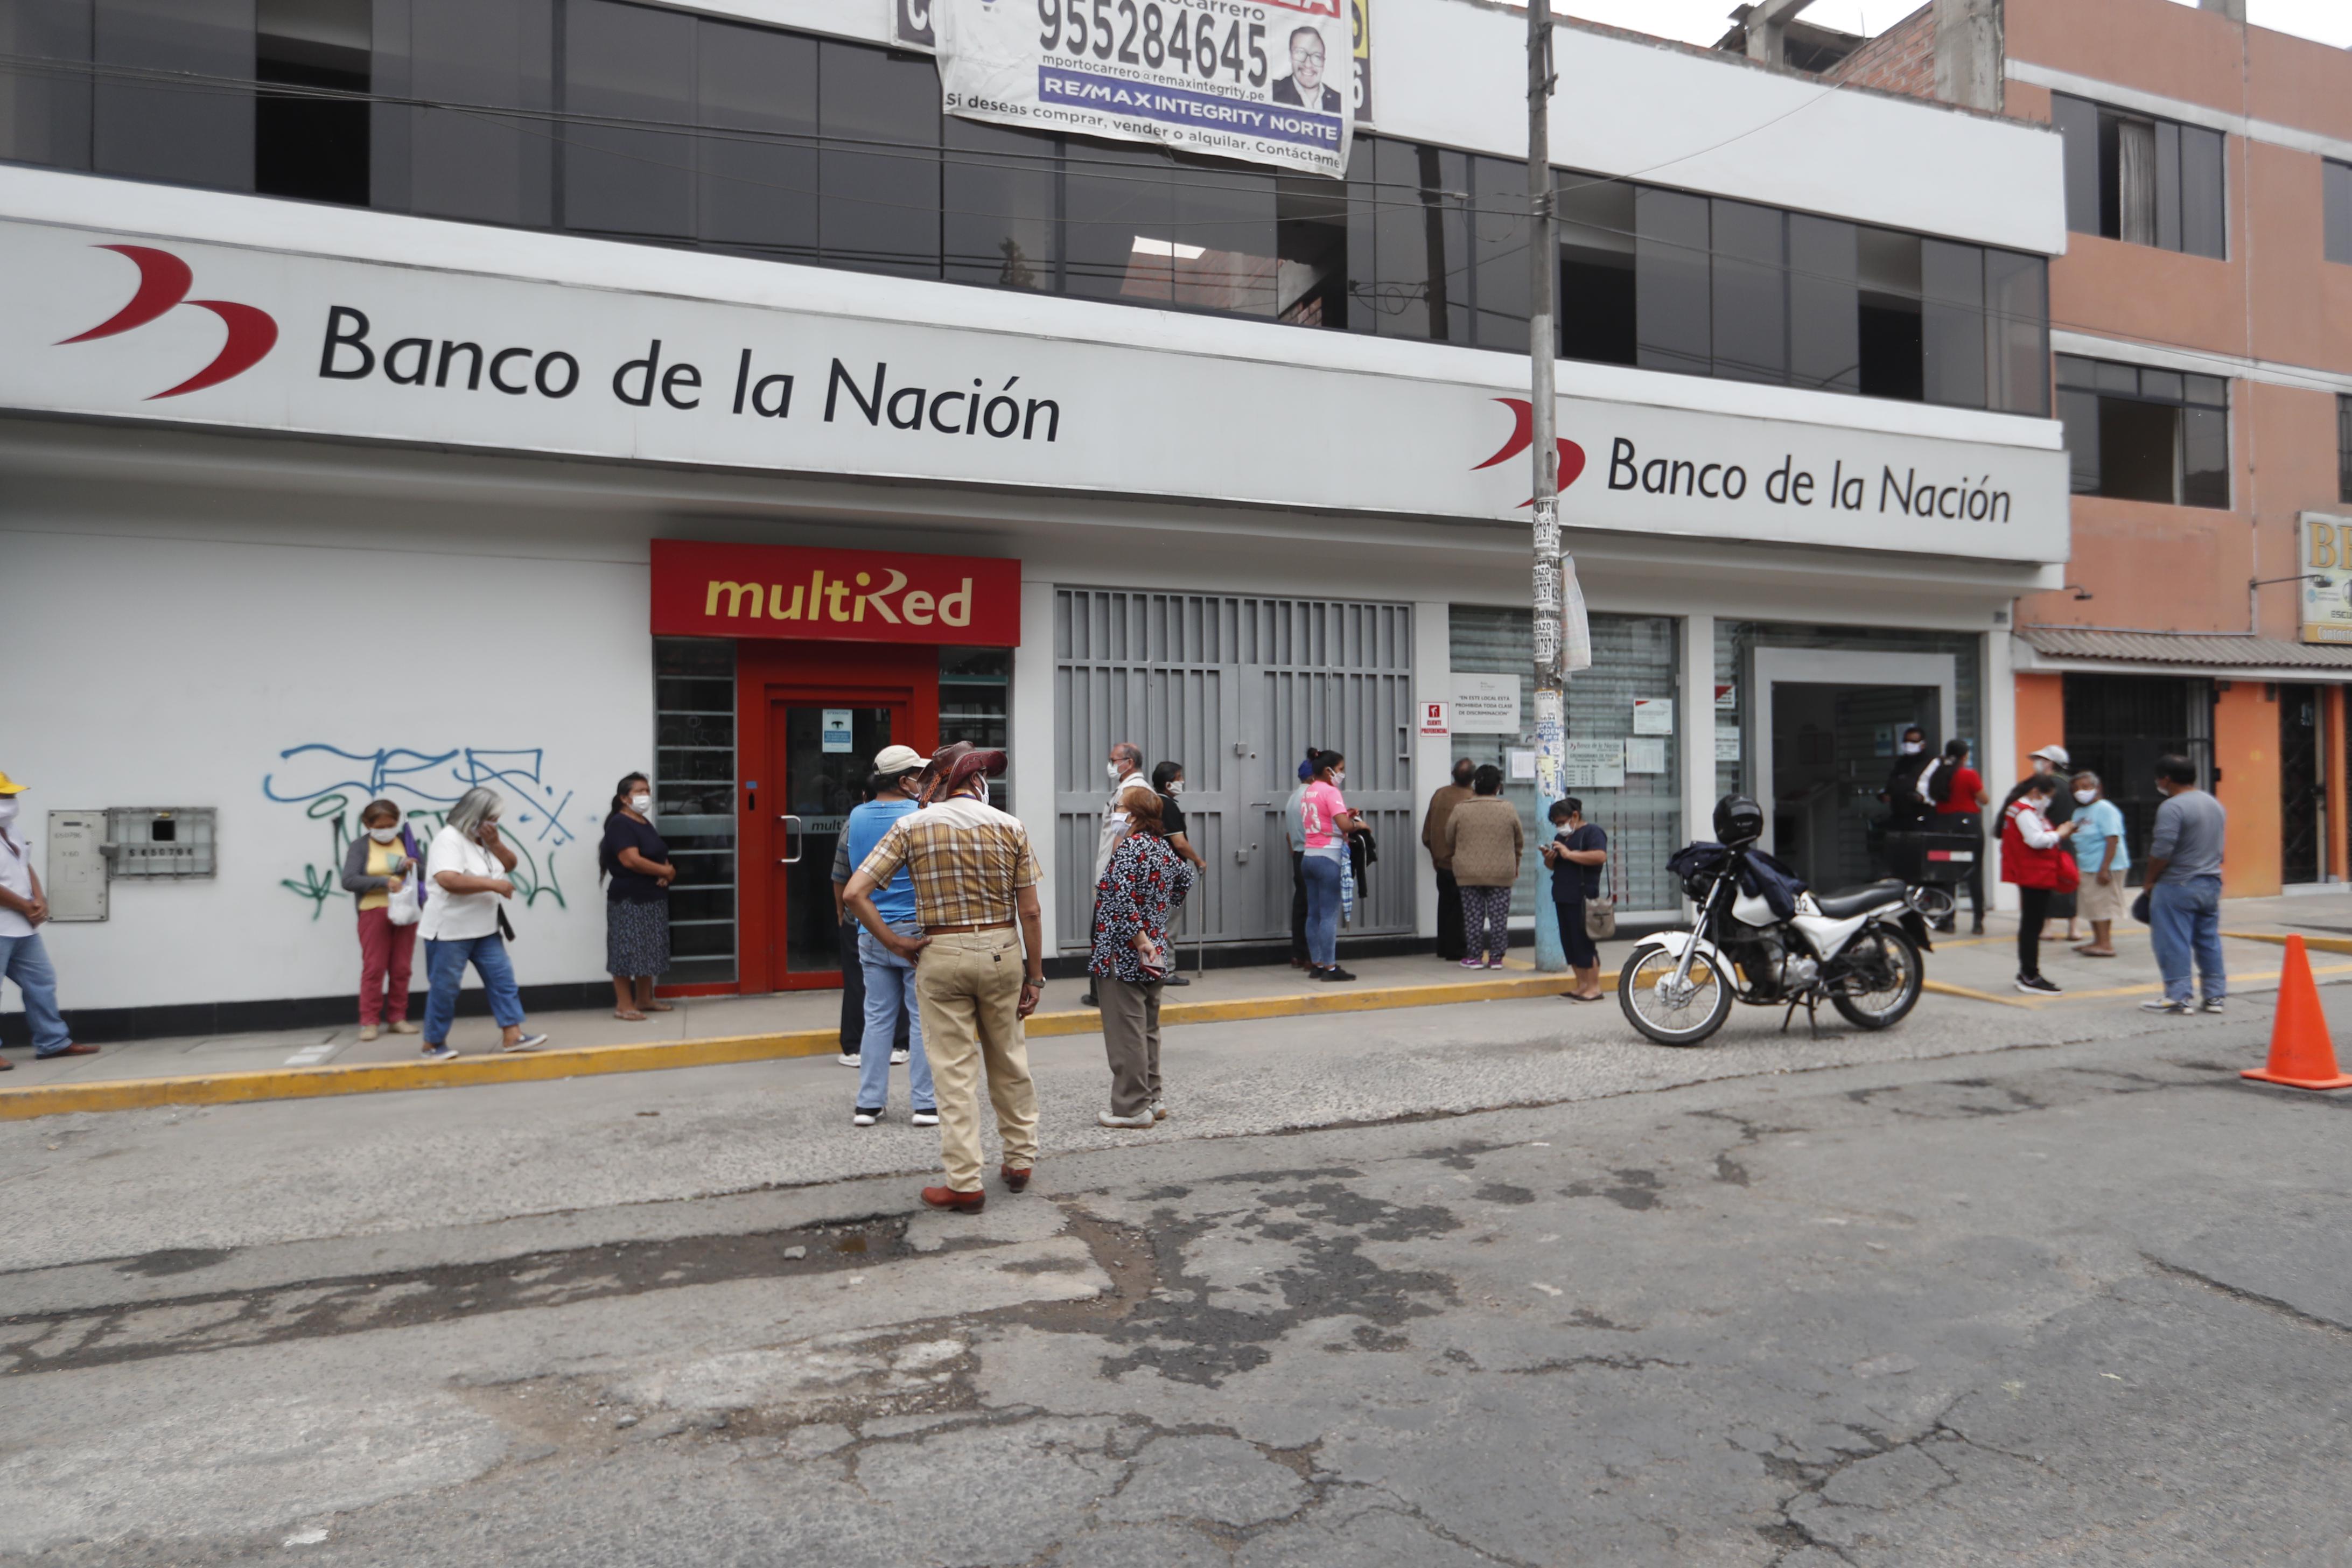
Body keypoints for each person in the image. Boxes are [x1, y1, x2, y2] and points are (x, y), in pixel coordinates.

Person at [844, 743, 1046, 1214]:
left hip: (941, 950)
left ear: (936, 782)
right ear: (975, 783)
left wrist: (895, 944)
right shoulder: (1010, 826)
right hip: (1001, 949)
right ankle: (1019, 1161)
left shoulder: (911, 825)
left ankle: (964, 1181)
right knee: (1010, 1058)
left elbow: (856, 892)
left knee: (953, 1073)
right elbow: (1030, 911)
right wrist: (1034, 976)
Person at [1090, 785, 1198, 1130]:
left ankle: (1131, 1107)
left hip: (1124, 952)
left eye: (1120, 807)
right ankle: (1153, 1097)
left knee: (1127, 1033)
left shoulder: (1129, 849)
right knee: (1148, 1028)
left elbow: (1119, 899)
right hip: (1155, 949)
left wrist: (1138, 938)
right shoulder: (1165, 850)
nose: (1116, 813)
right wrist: (1155, 919)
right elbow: (1185, 880)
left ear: (1134, 814)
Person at [418, 786, 548, 1060]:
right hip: (451, 931)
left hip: (486, 928)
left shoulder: (482, 842)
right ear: (473, 815)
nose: (494, 824)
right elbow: (448, 880)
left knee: (503, 980)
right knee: (446, 988)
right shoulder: (449, 839)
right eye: (491, 818)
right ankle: (433, 1043)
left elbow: (510, 864)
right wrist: (493, 885)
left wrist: (496, 843)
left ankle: (513, 1035)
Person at [846, 745, 937, 1129]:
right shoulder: (921, 816)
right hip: (915, 932)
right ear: (904, 781)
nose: (922, 781)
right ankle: (925, 1105)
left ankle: (868, 1104)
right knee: (921, 1019)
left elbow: (855, 873)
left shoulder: (857, 815)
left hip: (871, 930)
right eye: (918, 774)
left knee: (878, 1018)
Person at [0, 771, 94, 1068]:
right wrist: (26, 906)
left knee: (41, 981)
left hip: (22, 927)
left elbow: (25, 867)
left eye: (12, 796)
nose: (11, 802)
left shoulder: (11, 830)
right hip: (6, 922)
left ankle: (53, 1042)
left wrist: (39, 900)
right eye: (4, 797)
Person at [829, 774, 907, 1070]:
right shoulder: (913, 819)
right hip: (902, 915)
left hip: (860, 915)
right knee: (903, 981)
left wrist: (841, 912)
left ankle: (853, 1048)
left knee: (857, 983)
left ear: (865, 795)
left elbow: (839, 874)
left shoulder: (853, 823)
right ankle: (900, 1045)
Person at [2140, 754, 2227, 1017]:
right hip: (2210, 882)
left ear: (2166, 779)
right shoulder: (2213, 803)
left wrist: (2149, 880)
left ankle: (2178, 997)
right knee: (2208, 940)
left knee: (2173, 940)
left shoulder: (2172, 806)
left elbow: (2162, 850)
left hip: (2177, 884)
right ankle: (2215, 997)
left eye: (2159, 779)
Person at [339, 798, 425, 1042]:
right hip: (373, 910)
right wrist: (383, 882)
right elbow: (349, 880)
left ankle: (398, 1017)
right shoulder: (360, 847)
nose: (387, 830)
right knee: (374, 968)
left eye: (391, 824)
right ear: (368, 824)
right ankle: (370, 1021)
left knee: (401, 968)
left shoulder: (406, 842)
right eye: (381, 826)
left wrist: (412, 866)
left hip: (405, 912)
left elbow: (425, 872)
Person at [599, 773, 676, 1022]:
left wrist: (665, 871)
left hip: (652, 896)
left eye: (647, 791)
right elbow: (630, 860)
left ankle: (644, 999)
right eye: (639, 791)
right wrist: (665, 871)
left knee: (649, 949)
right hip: (629, 898)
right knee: (626, 950)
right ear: (624, 798)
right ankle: (624, 1005)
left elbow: (656, 852)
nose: (645, 796)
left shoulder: (643, 822)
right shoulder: (621, 824)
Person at [1082, 740, 1145, 1007]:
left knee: (1103, 934)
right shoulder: (1129, 790)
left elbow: (1122, 835)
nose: (1110, 765)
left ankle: (1102, 994)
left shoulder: (1131, 792)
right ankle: (1108, 991)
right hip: (1117, 876)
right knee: (1107, 933)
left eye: (1114, 760)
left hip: (1114, 877)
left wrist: (1113, 876)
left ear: (1128, 763)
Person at [1999, 774, 2074, 996]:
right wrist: (2060, 834)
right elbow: (2035, 839)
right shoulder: (2023, 811)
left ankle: (2028, 972)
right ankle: (2029, 974)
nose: (2048, 802)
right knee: (2032, 926)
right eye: (2047, 797)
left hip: (2036, 873)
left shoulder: (2024, 810)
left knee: (2032, 924)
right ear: (2036, 793)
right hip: (2034, 874)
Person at [1444, 764, 1523, 969]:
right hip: (1501, 872)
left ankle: (1475, 957)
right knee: (1499, 918)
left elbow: (1449, 838)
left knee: (1473, 917)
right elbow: (1519, 840)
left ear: (1474, 786)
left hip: (1468, 872)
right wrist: (1516, 863)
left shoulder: (1461, 809)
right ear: (1498, 787)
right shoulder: (1508, 808)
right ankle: (1496, 958)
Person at [1299, 749, 1366, 982]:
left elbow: (1326, 819)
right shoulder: (1331, 791)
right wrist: (1359, 824)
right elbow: (1345, 827)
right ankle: (1330, 968)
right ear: (1328, 771)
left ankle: (1317, 963)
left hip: (1309, 856)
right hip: (1329, 857)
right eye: (1340, 769)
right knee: (1328, 915)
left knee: (1314, 914)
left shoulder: (1308, 792)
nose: (1342, 774)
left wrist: (1344, 816)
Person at [2005, 745, 2079, 942]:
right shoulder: (2072, 784)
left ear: (2050, 763)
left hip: (2049, 839)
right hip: (2068, 838)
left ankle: (2047, 926)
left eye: (2040, 760)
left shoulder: (2044, 787)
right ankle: (2074, 927)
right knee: (2070, 880)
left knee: (2045, 882)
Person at [1542, 797, 1608, 1001]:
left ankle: (1594, 987)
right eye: (1556, 824)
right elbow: (1554, 866)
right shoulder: (1562, 838)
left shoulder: (1592, 832)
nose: (1560, 827)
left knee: (1584, 943)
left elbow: (1599, 857)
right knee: (1569, 942)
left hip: (1583, 895)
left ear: (1575, 816)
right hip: (1563, 894)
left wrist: (1570, 855)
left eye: (1562, 822)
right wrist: (1550, 859)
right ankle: (1581, 985)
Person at [1150, 760, 1206, 987]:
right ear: (1168, 783)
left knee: (1157, 922)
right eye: (1179, 778)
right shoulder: (1168, 806)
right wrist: (1199, 860)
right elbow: (1180, 843)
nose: (1182, 782)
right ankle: (1167, 970)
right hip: (1169, 875)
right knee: (1169, 925)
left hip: (1155, 871)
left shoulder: (1151, 804)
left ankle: (1154, 966)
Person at [1929, 737, 1989, 935]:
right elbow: (1984, 799)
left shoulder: (1938, 774)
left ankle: (1948, 919)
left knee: (1948, 872)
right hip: (1968, 825)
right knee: (1974, 871)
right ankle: (1978, 921)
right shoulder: (1968, 775)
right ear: (1965, 756)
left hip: (1944, 825)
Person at [2068, 771, 2129, 958]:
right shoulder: (2079, 811)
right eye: (2076, 789)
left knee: (2103, 905)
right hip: (2087, 864)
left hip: (2104, 866)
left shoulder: (2105, 809)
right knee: (2092, 905)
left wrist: (2105, 868)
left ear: (2098, 788)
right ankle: (2097, 941)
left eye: (2085, 787)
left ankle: (2105, 944)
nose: (2080, 792)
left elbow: (2112, 839)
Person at [1422, 758, 1477, 962]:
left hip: (1441, 862)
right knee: (1461, 910)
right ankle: (1457, 950)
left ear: (1453, 774)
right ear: (1473, 779)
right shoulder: (1473, 799)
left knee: (1445, 906)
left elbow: (1427, 833)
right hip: (1463, 863)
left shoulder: (1440, 795)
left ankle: (1444, 947)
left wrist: (1435, 854)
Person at [1284, 755, 1315, 969]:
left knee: (1301, 906)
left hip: (1298, 854)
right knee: (1314, 908)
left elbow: (1289, 834)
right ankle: (1311, 956)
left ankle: (1298, 953)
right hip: (1312, 854)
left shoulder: (1293, 798)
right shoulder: (1312, 797)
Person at [1270, 24, 1342, 110]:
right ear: (1291, 56)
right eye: (1300, 53)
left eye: (1317, 56)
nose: (1308, 64)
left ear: (1323, 62)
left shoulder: (1339, 102)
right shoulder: (1273, 92)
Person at [1881, 726, 1934, 829]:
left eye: (1913, 742)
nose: (1909, 745)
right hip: (1899, 815)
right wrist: (1886, 794)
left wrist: (1920, 797)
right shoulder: (1901, 763)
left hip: (1922, 816)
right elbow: (1892, 784)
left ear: (1923, 744)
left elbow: (1935, 790)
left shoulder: (1931, 764)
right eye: (1906, 741)